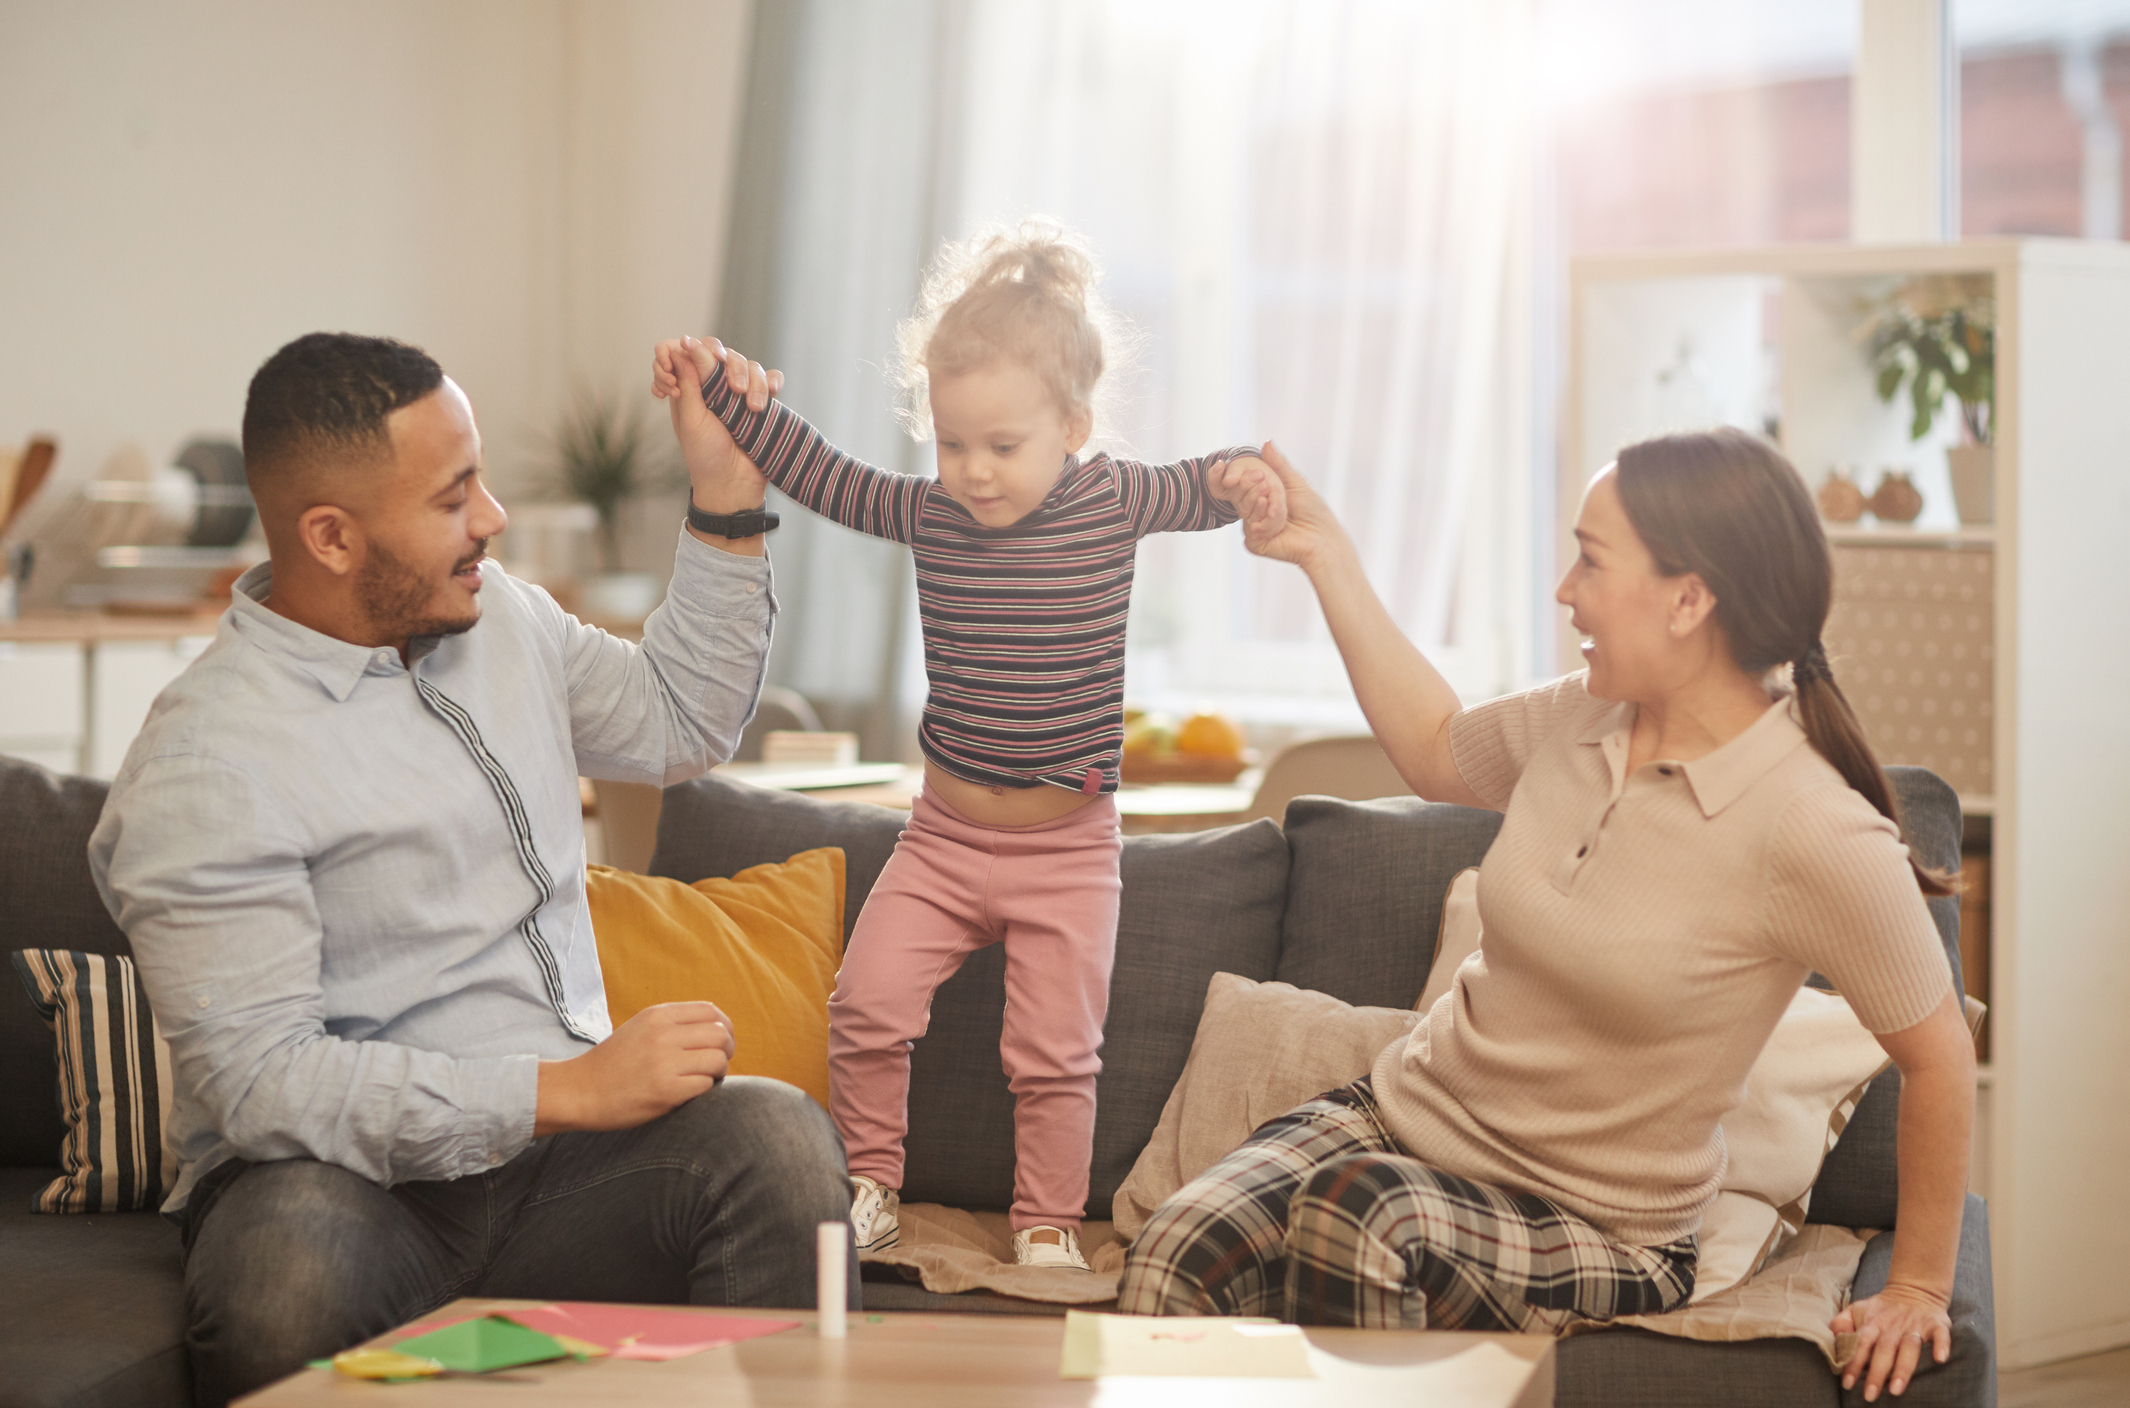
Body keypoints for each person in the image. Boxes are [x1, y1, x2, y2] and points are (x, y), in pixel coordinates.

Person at [1116, 427, 1975, 1404]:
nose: (1566, 589)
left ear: (1690, 599)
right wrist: (1326, 554)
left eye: (1592, 560)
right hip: (1411, 1120)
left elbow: (1938, 1051)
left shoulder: (1813, 828)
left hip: (1598, 1221)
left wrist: (1919, 1284)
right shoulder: (1586, 712)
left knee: (1360, 1219)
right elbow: (1438, 747)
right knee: (1175, 1253)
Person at [89, 332, 852, 1407]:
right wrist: (565, 1088)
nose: (491, 517)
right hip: (340, 1189)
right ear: (332, 536)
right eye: (453, 499)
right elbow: (265, 1085)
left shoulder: (508, 623)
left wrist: (727, 496)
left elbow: (680, 723)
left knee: (775, 1139)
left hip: (564, 1172)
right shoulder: (206, 762)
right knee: (285, 1274)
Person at [653, 221, 1286, 1271]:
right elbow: (819, 472)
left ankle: (1046, 1221)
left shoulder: (1114, 497)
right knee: (863, 1004)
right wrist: (723, 395)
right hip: (943, 837)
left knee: (1051, 1056)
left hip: (1069, 845)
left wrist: (1248, 478)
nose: (975, 473)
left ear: (1074, 423)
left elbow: (1203, 482)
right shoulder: (933, 511)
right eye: (952, 444)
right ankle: (868, 1183)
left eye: (1004, 446)